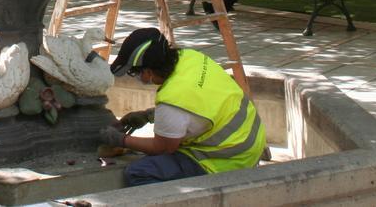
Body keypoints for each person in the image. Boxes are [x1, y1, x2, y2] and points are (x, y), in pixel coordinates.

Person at [98, 27, 266, 187]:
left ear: (148, 71)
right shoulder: (191, 57)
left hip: (228, 159)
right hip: (251, 140)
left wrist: (121, 140)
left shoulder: (171, 101)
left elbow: (163, 148)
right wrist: (149, 115)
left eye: (135, 73)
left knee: (138, 172)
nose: (138, 78)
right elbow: (198, 102)